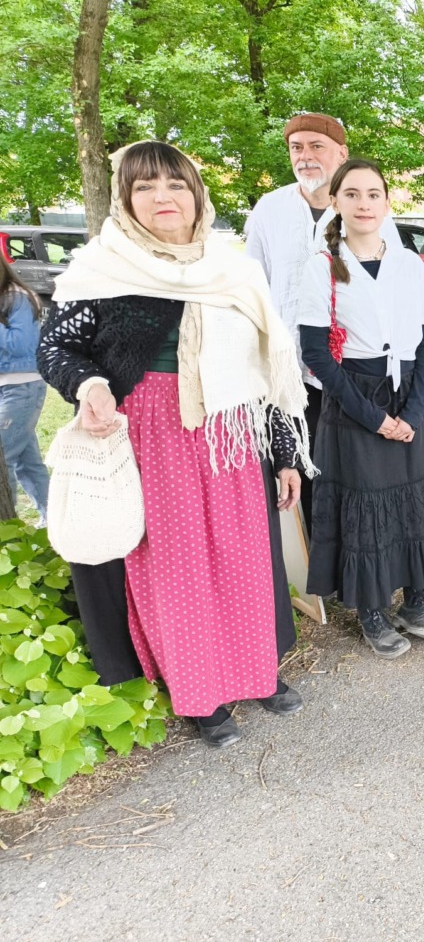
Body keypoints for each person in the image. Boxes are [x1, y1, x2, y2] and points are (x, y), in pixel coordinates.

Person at [39, 141, 313, 748]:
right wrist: (87, 385)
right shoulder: (101, 268)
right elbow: (57, 348)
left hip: (231, 432)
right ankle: (201, 696)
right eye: (144, 187)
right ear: (125, 198)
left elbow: (268, 369)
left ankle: (255, 674)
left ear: (197, 194)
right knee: (175, 565)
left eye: (175, 184)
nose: (162, 197)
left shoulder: (233, 265)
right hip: (152, 431)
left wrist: (287, 452)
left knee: (242, 555)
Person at [297, 159, 424, 659]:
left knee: (412, 500)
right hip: (353, 398)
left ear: (388, 202)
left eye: (374, 194)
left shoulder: (408, 263)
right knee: (366, 509)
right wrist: (373, 417)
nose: (365, 204)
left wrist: (410, 411)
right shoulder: (321, 266)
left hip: (404, 391)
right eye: (353, 194)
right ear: (337, 202)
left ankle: (415, 601)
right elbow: (317, 353)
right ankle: (372, 610)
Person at [244, 113, 397, 528]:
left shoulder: (368, 211)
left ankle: (354, 561)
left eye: (317, 147)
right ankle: (310, 575)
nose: (305, 156)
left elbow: (390, 292)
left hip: (351, 369)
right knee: (295, 467)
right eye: (297, 148)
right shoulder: (269, 209)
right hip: (285, 366)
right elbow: (250, 282)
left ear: (341, 153)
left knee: (351, 467)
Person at [0, 259, 49, 523]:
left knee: (3, 457)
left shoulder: (17, 298)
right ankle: (53, 520)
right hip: (7, 385)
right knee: (26, 462)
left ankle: (7, 527)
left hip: (22, 386)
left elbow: (20, 344)